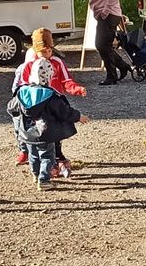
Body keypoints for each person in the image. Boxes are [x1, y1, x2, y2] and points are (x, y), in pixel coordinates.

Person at [7, 58, 87, 193]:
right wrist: (79, 117)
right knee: (47, 156)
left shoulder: (22, 92)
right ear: (50, 77)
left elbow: (11, 108)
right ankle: (44, 180)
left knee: (33, 156)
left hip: (27, 133)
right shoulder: (50, 96)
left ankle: (36, 175)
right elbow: (64, 112)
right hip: (45, 133)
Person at [13, 28, 85, 177]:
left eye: (49, 51)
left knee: (55, 135)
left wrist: (76, 89)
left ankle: (55, 162)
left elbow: (66, 81)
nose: (47, 55)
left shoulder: (57, 62)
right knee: (36, 136)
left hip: (55, 104)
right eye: (43, 52)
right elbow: (24, 87)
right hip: (37, 107)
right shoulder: (28, 65)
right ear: (35, 50)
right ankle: (36, 160)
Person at [85, 0, 126, 85]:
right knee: (103, 46)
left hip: (109, 16)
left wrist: (105, 12)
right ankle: (122, 66)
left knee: (102, 45)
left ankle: (112, 76)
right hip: (106, 15)